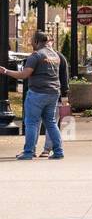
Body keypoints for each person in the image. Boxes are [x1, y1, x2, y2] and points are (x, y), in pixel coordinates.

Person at [1, 32, 65, 161]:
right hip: (53, 92)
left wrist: (6, 71)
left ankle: (28, 152)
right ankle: (58, 151)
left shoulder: (36, 56)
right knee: (51, 122)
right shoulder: (55, 55)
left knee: (31, 123)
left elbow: (24, 74)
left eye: (31, 41)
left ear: (36, 41)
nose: (30, 43)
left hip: (37, 93)